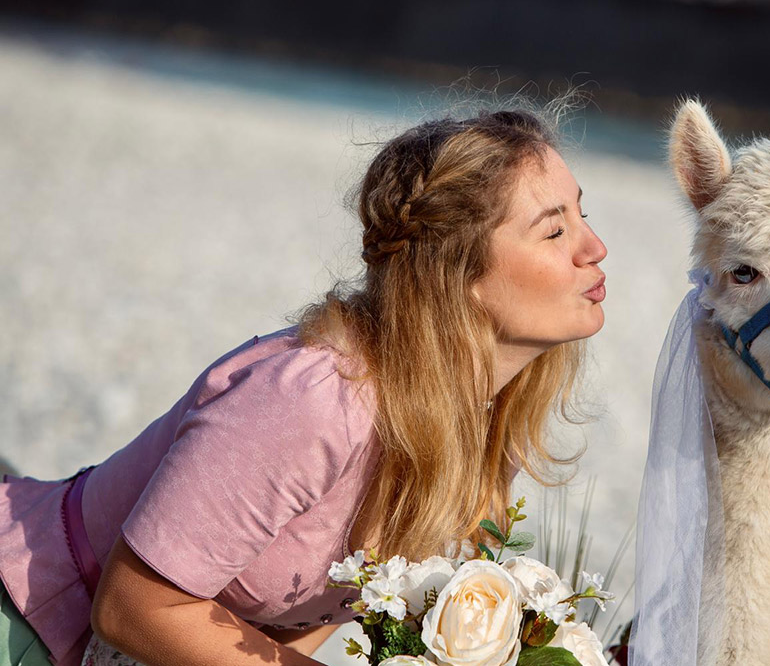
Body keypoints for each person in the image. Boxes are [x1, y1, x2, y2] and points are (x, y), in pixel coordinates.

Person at [0, 106, 608, 666]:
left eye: (583, 214)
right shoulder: (317, 397)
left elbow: (298, 614)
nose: (596, 248)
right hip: (25, 619)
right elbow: (132, 606)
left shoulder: (478, 417)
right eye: (555, 232)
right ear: (459, 275)